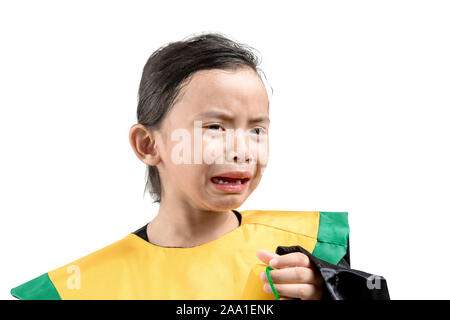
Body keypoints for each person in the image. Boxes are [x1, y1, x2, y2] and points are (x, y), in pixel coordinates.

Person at [10, 32, 389, 300]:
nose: (242, 150)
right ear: (148, 144)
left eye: (257, 129)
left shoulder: (308, 252)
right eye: (214, 127)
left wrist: (334, 293)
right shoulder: (81, 288)